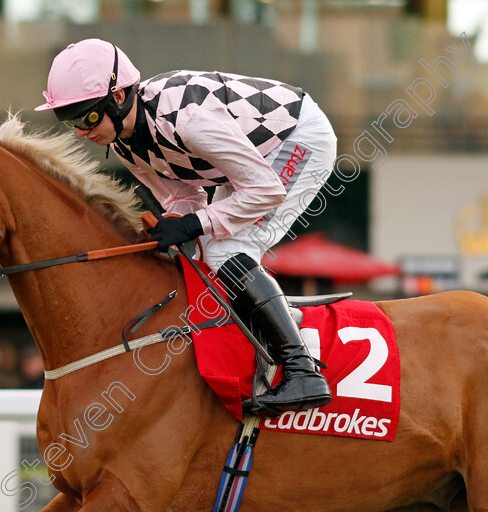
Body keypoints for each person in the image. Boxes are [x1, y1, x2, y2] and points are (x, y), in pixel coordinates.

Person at [36, 39, 338, 415]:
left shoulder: (187, 119)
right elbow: (184, 196)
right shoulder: (124, 143)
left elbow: (264, 190)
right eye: (70, 121)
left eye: (87, 117)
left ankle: (302, 369)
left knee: (226, 250)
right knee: (200, 249)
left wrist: (195, 223)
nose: (81, 132)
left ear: (117, 96)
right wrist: (176, 222)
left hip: (299, 138)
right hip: (252, 160)